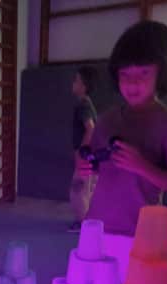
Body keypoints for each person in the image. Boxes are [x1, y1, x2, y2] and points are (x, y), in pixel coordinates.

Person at [77, 20, 167, 282]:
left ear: (161, 73)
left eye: (143, 73)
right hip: (97, 226)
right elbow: (93, 159)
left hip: (139, 233)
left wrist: (142, 166)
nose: (133, 83)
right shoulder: (107, 119)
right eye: (125, 74)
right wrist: (85, 162)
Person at [68, 65, 98, 232]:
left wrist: (81, 153)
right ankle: (88, 222)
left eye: (76, 80)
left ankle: (82, 223)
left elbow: (91, 128)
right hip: (90, 158)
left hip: (85, 157)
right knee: (87, 190)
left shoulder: (83, 105)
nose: (73, 83)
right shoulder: (87, 104)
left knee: (78, 190)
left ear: (84, 86)